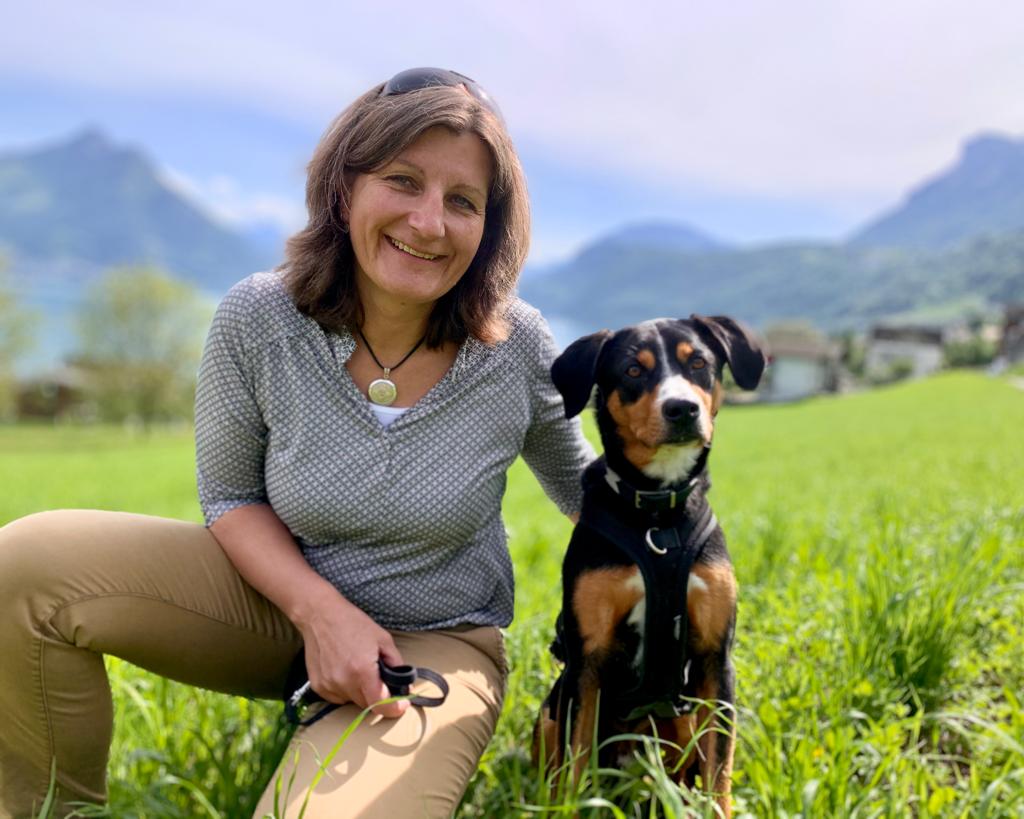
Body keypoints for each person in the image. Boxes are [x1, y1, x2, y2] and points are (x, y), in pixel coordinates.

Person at [0, 68, 593, 818]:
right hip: (269, 608)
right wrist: (320, 612)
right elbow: (230, 497)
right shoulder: (259, 317)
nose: (429, 221)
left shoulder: (517, 346)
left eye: (463, 202)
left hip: (430, 644)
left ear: (488, 229)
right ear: (345, 188)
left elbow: (592, 495)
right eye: (403, 181)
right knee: (24, 567)